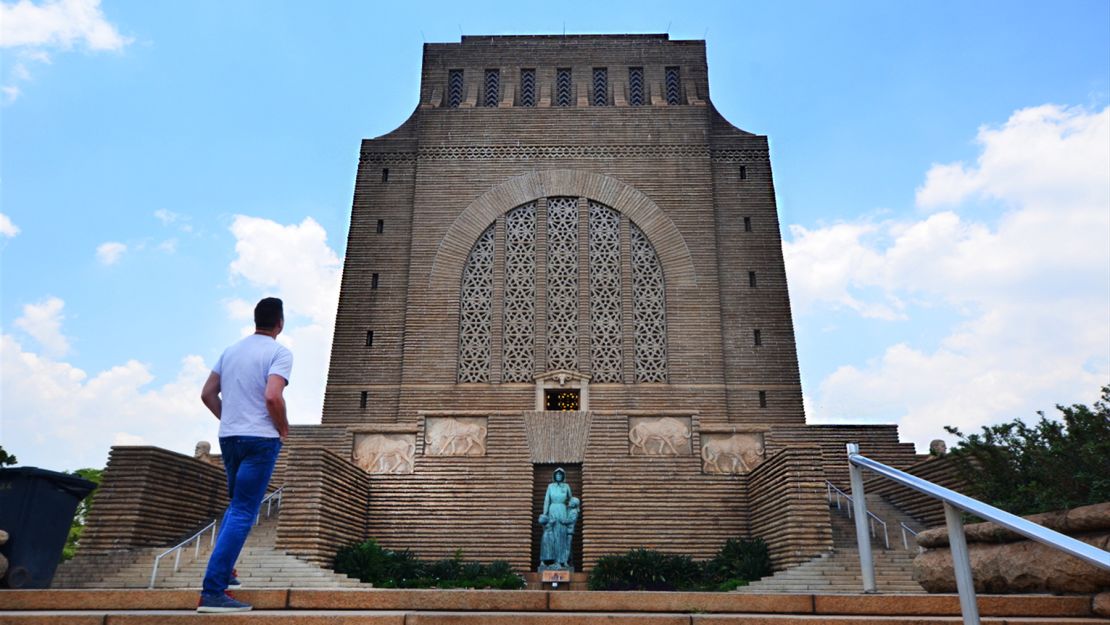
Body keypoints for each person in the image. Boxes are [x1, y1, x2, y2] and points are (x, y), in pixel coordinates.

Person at [196, 297, 291, 613]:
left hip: (229, 439)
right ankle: (213, 591)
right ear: (280, 323)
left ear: (255, 320)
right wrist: (282, 428)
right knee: (241, 511)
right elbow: (273, 396)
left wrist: (229, 418)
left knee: (239, 508)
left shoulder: (231, 351)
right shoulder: (278, 352)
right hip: (260, 441)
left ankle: (227, 571)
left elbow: (207, 393)